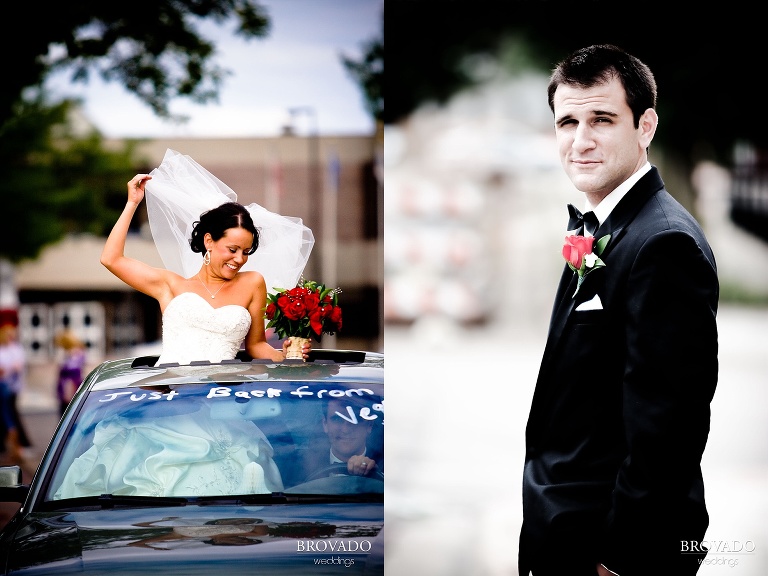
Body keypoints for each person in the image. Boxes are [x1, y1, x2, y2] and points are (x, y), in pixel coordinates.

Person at [518, 45, 719, 576]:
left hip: (610, 545)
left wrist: (624, 557)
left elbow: (669, 429)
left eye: (602, 119)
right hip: (565, 528)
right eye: (567, 122)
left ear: (646, 126)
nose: (580, 140)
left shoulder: (664, 244)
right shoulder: (605, 226)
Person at [100, 150, 315, 365]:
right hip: (168, 391)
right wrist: (132, 204)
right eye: (232, 249)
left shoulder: (252, 283)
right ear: (209, 241)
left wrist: (285, 355)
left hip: (219, 394)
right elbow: (111, 259)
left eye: (246, 252)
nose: (239, 259)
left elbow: (255, 345)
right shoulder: (171, 285)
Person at [303, 397, 383, 481]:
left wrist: (375, 474)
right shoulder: (300, 465)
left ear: (369, 425)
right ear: (325, 424)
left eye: (356, 419)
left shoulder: (387, 465)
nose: (346, 430)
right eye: (337, 419)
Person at [54, 329, 87, 416]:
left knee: (67, 416)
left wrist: (68, 392)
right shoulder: (75, 354)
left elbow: (72, 376)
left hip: (70, 390)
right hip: (69, 389)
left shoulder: (75, 355)